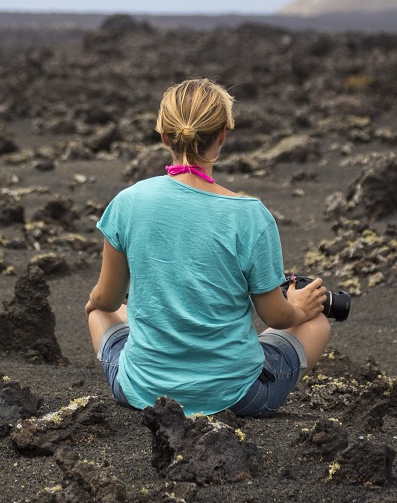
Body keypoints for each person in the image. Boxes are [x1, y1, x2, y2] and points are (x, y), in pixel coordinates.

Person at [85, 77, 331, 416]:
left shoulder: (128, 202)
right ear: (222, 136)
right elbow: (275, 315)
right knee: (317, 323)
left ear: (164, 136)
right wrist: (300, 308)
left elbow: (106, 299)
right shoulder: (251, 216)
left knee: (107, 312)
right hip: (238, 397)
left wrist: (95, 304)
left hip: (143, 391)